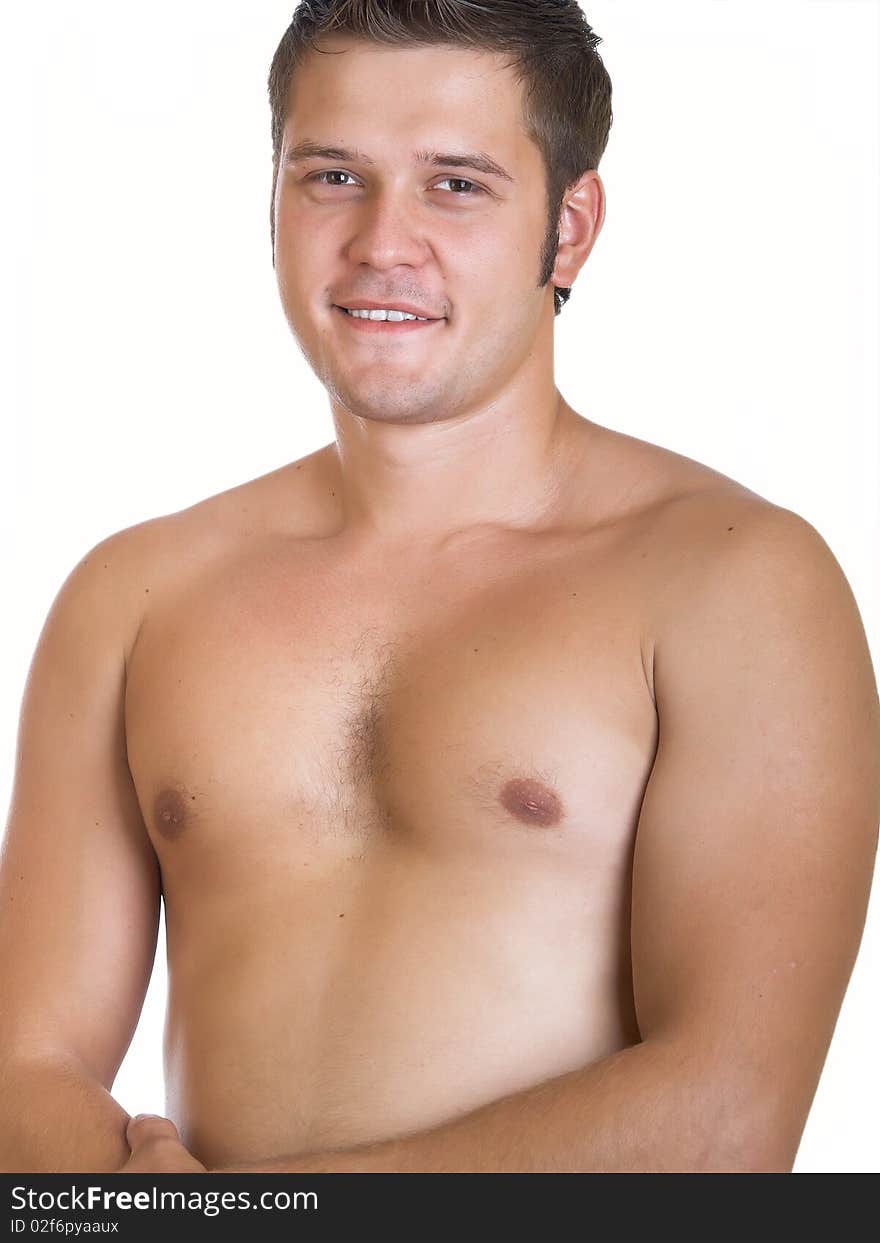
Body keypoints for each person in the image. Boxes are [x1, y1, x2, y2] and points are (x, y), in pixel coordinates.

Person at [1, 0, 878, 1175]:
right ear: (271, 201)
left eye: (454, 185)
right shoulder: (135, 594)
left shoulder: (734, 585)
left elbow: (724, 1119)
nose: (380, 242)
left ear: (567, 230)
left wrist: (258, 1220)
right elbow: (24, 1067)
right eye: (331, 176)